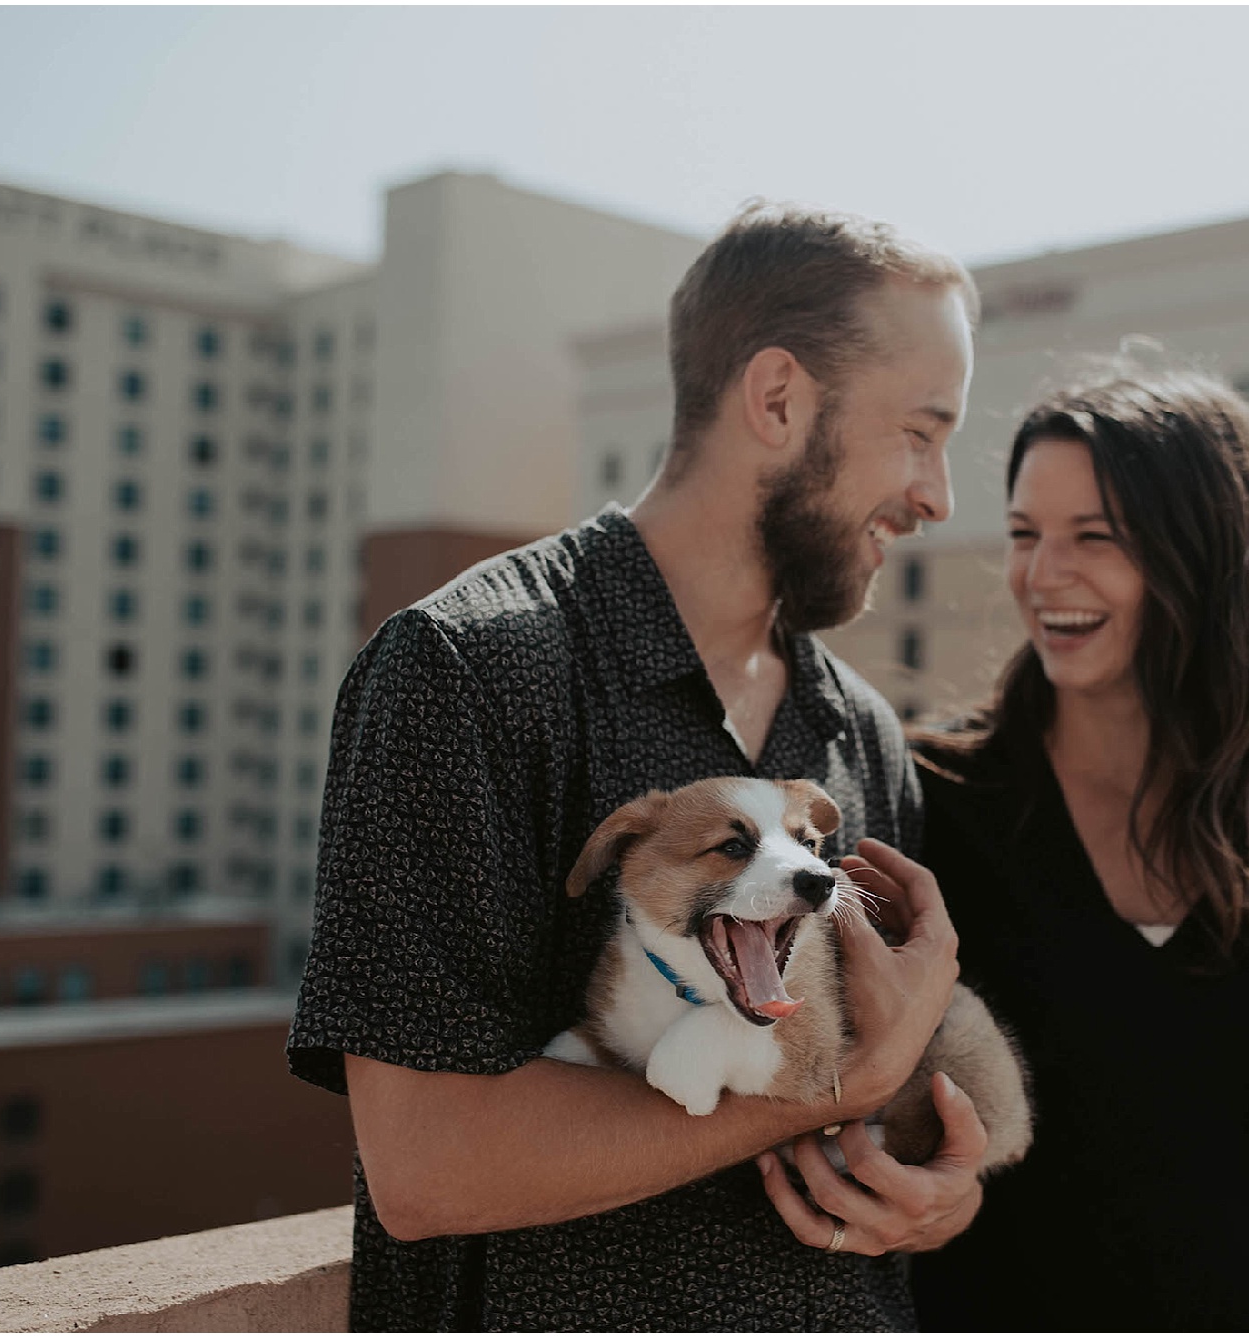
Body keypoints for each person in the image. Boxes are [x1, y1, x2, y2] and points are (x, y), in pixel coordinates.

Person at [287, 202, 994, 1330]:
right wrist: (821, 1086)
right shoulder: (466, 669)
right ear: (778, 399)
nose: (937, 497)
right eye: (919, 432)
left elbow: (888, 1100)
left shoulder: (858, 732)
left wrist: (937, 1200)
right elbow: (424, 1163)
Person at [907, 370, 1249, 1332]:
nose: (1042, 574)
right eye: (1024, 534)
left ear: (1200, 553)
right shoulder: (937, 797)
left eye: (1095, 536)